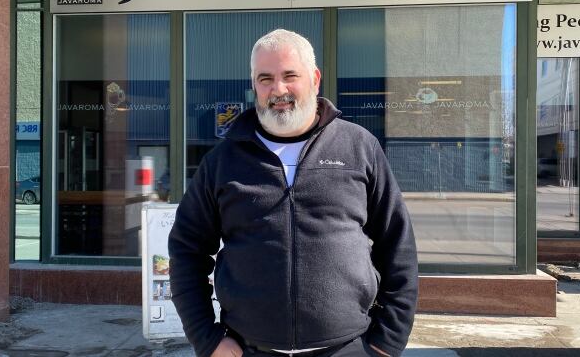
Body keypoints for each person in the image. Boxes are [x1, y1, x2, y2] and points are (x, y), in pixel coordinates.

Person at [168, 29, 418, 357]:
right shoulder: (223, 160)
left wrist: (388, 340)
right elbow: (187, 251)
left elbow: (398, 246)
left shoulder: (359, 146)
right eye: (265, 78)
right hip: (250, 349)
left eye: (290, 76)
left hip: (348, 347)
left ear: (314, 78)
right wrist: (206, 338)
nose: (278, 89)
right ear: (254, 85)